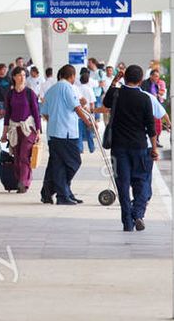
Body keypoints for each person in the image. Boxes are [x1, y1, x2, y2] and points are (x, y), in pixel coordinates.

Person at [102, 65, 159, 231]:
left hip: (119, 149)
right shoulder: (145, 99)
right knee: (141, 182)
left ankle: (127, 222)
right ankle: (138, 213)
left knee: (123, 185)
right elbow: (151, 127)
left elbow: (105, 103)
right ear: (141, 80)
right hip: (140, 147)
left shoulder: (116, 93)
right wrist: (154, 148)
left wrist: (115, 80)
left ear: (124, 77)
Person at [39, 65, 95, 205]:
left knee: (56, 164)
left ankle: (52, 193)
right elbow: (76, 108)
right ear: (72, 76)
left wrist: (55, 120)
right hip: (66, 133)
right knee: (73, 163)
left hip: (54, 133)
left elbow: (44, 112)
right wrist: (88, 123)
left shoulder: (51, 90)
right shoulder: (67, 88)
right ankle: (62, 195)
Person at [3, 66, 42, 193]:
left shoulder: (30, 93)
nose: (22, 78)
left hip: (28, 128)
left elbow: (36, 113)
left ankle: (23, 182)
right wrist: (4, 133)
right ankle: (20, 179)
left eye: (24, 75)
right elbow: (7, 114)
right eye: (20, 75)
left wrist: (39, 131)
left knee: (25, 155)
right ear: (14, 77)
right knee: (17, 156)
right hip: (14, 128)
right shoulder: (10, 94)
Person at [75, 67, 97, 154]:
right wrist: (92, 113)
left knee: (79, 133)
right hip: (88, 114)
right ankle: (91, 148)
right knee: (89, 132)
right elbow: (92, 103)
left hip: (79, 114)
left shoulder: (77, 89)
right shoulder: (89, 89)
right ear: (88, 80)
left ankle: (80, 149)